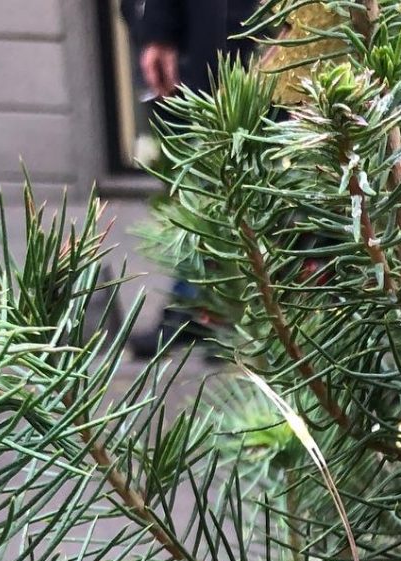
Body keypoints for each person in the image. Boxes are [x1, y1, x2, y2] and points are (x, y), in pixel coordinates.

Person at [123, 0, 258, 357]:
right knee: (211, 189)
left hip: (263, 42)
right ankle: (213, 312)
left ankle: (225, 315)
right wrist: (157, 28)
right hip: (215, 44)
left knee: (245, 185)